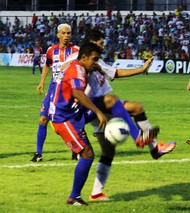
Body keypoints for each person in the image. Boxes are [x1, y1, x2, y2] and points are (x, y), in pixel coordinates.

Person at [66, 29, 176, 201]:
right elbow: (66, 70)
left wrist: (142, 69)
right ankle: (150, 145)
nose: (103, 46)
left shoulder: (98, 61)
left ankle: (96, 192)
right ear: (91, 44)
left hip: (103, 109)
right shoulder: (79, 59)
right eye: (101, 43)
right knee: (130, 106)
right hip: (95, 105)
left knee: (108, 151)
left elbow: (116, 73)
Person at [49, 42, 106, 206]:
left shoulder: (80, 68)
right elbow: (77, 93)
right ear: (84, 57)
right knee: (87, 153)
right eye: (94, 59)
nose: (96, 62)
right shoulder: (76, 70)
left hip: (73, 114)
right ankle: (74, 197)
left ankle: (109, 129)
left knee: (107, 102)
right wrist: (98, 113)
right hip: (63, 118)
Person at [30, 24, 80, 162]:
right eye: (64, 33)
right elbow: (47, 64)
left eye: (69, 33)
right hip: (53, 89)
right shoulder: (51, 50)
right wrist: (42, 82)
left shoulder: (76, 51)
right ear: (58, 35)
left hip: (68, 91)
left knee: (71, 121)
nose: (66, 36)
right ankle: (38, 154)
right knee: (42, 119)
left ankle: (76, 150)